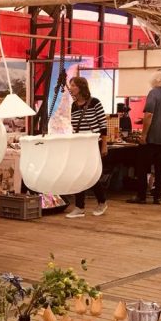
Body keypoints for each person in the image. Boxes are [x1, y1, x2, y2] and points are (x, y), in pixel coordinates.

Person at [129, 70, 161, 204]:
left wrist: (144, 135)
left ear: (157, 81)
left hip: (152, 138)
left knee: (142, 167)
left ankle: (141, 196)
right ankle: (157, 196)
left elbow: (148, 115)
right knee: (160, 168)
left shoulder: (154, 93)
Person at [65, 76, 108, 218]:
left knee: (92, 174)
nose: (71, 88)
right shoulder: (74, 105)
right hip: (79, 143)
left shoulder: (95, 103)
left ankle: (102, 201)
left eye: (73, 85)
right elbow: (74, 126)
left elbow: (103, 125)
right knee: (79, 174)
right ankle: (79, 207)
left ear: (81, 87)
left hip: (92, 144)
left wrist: (104, 145)